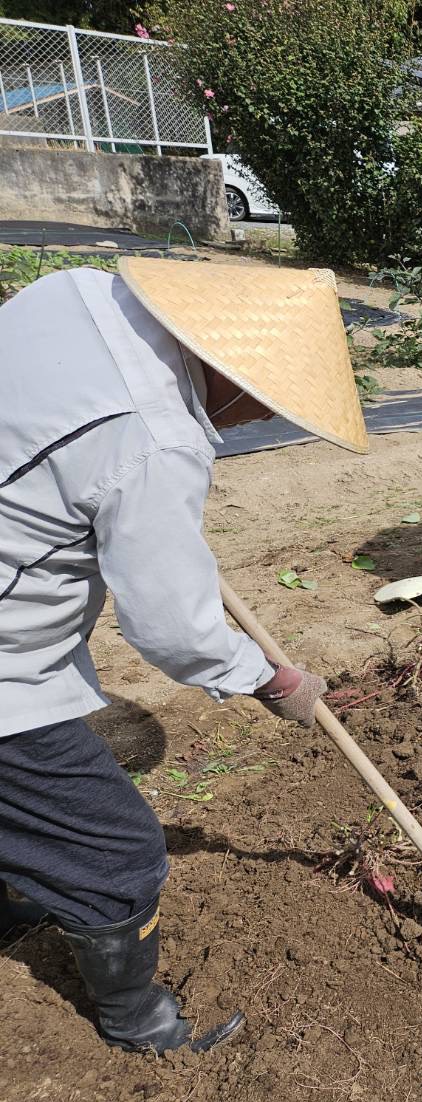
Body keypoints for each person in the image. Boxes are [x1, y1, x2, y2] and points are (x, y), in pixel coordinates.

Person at [0, 258, 364, 1054]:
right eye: (265, 405)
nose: (254, 421)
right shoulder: (156, 437)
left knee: (29, 810)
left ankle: (20, 889)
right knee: (117, 848)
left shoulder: (75, 291)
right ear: (233, 370)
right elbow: (172, 630)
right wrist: (271, 678)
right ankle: (141, 1027)